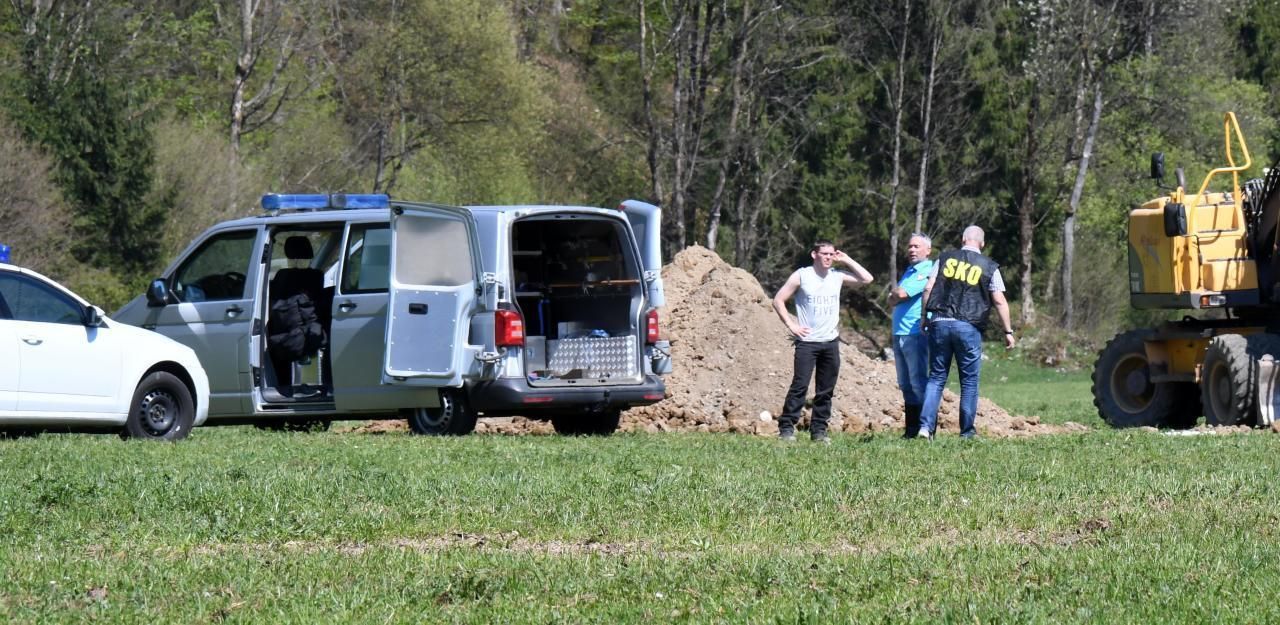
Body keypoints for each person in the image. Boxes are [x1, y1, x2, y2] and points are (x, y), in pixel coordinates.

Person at [917, 225, 1015, 439]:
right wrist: (1008, 331)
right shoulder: (989, 266)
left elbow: (928, 288)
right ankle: (967, 432)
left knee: (936, 378)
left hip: (940, 322)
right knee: (969, 381)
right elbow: (998, 299)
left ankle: (925, 428)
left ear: (963, 239)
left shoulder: (944, 259)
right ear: (982, 243)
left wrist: (925, 317)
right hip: (968, 326)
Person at [772, 240, 874, 443]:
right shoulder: (802, 275)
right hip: (807, 342)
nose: (828, 257)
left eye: (831, 254)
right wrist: (792, 325)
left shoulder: (837, 276)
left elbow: (867, 279)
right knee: (800, 385)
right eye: (824, 254)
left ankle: (819, 431)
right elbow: (778, 300)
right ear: (814, 255)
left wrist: (846, 259)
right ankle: (786, 428)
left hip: (830, 342)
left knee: (825, 389)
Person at [887, 233, 934, 438]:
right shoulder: (909, 271)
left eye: (916, 246)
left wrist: (895, 294)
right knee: (905, 384)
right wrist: (894, 294)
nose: (912, 250)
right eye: (910, 246)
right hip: (899, 332)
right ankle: (911, 430)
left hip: (915, 333)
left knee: (917, 381)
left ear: (928, 250)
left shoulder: (926, 270)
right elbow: (892, 297)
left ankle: (928, 428)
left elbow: (900, 295)